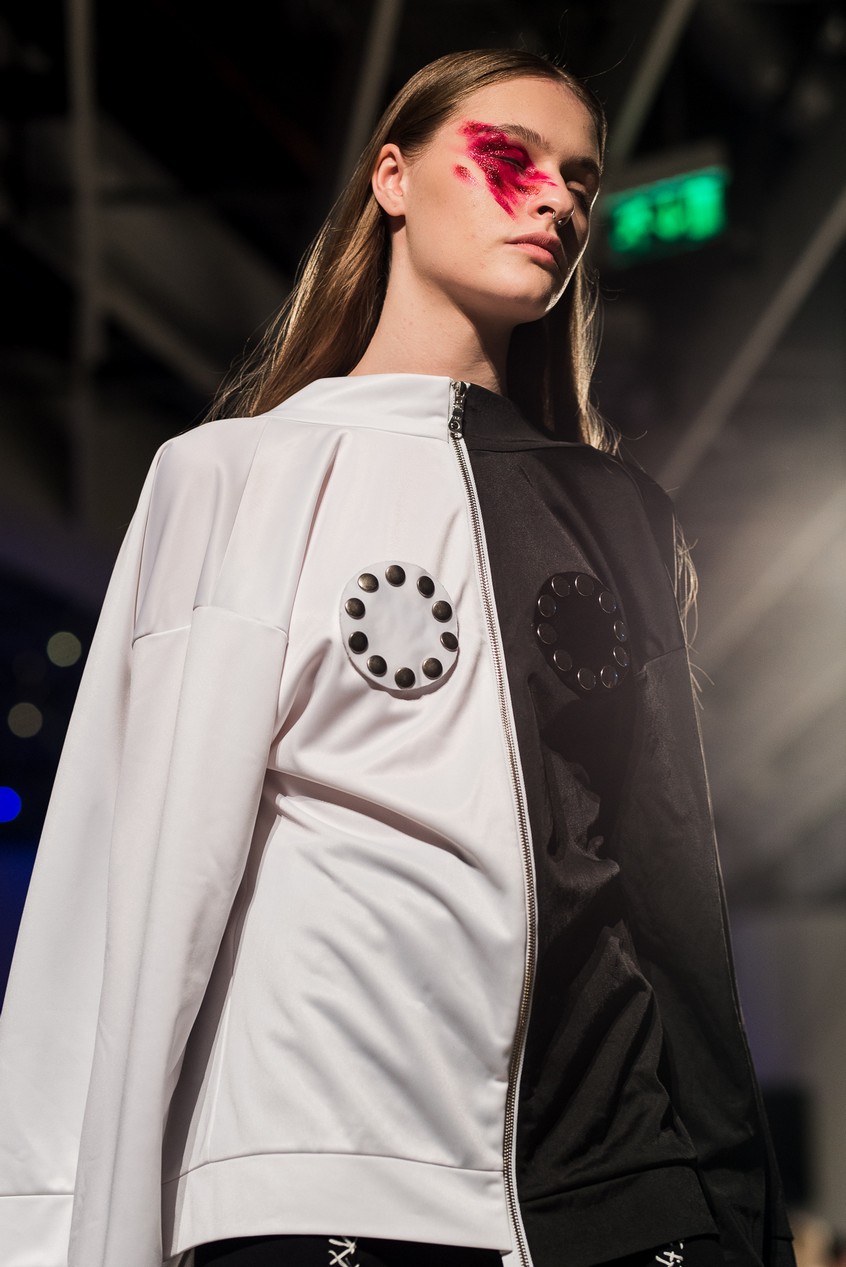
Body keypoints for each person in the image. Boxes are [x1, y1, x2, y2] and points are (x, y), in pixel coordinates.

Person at [0, 47, 794, 1267]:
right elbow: (132, 869)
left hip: (620, 1189)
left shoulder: (620, 515)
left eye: (582, 180)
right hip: (319, 1170)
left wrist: (739, 1214)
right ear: (391, 179)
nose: (557, 199)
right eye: (510, 157)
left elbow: (671, 887)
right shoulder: (232, 476)